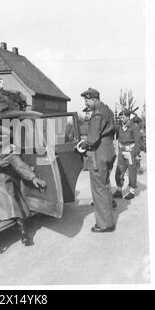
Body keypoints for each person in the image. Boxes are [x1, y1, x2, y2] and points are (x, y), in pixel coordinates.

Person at [0, 125, 47, 245]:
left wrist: (33, 177)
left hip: (2, 181)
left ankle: (24, 233)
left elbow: (19, 165)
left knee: (11, 203)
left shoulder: (7, 150)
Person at [77, 88, 116, 233]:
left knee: (99, 189)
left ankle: (105, 224)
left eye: (86, 101)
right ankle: (108, 218)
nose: (86, 104)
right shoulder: (108, 110)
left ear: (93, 99)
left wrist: (82, 145)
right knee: (105, 186)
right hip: (109, 149)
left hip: (99, 152)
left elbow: (92, 138)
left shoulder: (97, 114)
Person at [113, 110, 140, 200]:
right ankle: (119, 191)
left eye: (123, 117)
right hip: (121, 151)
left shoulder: (133, 127)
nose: (121, 119)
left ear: (128, 117)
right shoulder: (120, 127)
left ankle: (131, 191)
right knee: (119, 170)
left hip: (130, 151)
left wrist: (136, 153)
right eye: (120, 117)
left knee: (132, 172)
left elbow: (137, 141)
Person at [79, 107, 92, 171]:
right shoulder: (87, 124)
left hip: (85, 140)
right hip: (87, 140)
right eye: (87, 113)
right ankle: (87, 166)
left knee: (85, 153)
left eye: (88, 113)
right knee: (87, 153)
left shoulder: (82, 125)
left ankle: (86, 166)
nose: (87, 115)